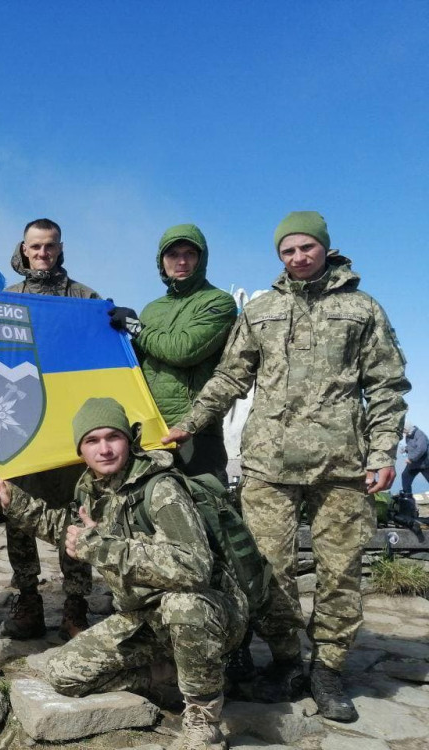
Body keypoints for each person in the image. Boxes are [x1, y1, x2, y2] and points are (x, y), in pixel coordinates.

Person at [164, 211, 410, 722]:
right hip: (268, 467)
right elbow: (232, 375)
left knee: (340, 572)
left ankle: (329, 671)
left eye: (305, 248)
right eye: (287, 251)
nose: (297, 258)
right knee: (266, 572)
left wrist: (383, 453)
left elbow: (386, 387)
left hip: (342, 464)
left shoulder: (361, 310)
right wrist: (191, 422)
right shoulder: (261, 311)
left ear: (324, 247)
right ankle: (284, 660)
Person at [0, 398, 246, 750]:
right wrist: (16, 504)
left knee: (183, 606)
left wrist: (100, 547)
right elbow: (71, 531)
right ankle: (170, 675)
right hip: (141, 617)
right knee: (64, 674)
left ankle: (202, 719)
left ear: (130, 440)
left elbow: (193, 565)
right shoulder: (91, 490)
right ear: (80, 449)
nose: (105, 449)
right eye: (92, 441)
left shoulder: (161, 489)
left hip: (205, 612)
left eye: (114, 437)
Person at [1, 218, 98, 641]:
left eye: (50, 247)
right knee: (17, 513)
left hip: (68, 429)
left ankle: (75, 603)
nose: (43, 253)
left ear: (61, 248)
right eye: (36, 247)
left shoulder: (83, 298)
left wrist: (111, 324)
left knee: (75, 514)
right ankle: (28, 600)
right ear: (24, 249)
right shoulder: (6, 299)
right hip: (21, 424)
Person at [109, 224, 236, 481]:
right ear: (161, 261)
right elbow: (136, 362)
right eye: (173, 255)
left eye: (189, 253)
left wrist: (135, 328)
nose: (181, 261)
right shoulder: (152, 309)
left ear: (201, 259)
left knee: (206, 508)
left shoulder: (218, 302)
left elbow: (184, 349)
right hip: (150, 428)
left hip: (195, 430)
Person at [400, 423, 429, 496]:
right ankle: (407, 497)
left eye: (403, 430)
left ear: (406, 428)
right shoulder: (408, 435)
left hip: (424, 464)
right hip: (414, 465)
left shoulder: (420, 434)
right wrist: (405, 449)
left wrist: (411, 459)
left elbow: (422, 449)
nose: (402, 432)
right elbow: (413, 446)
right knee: (405, 476)